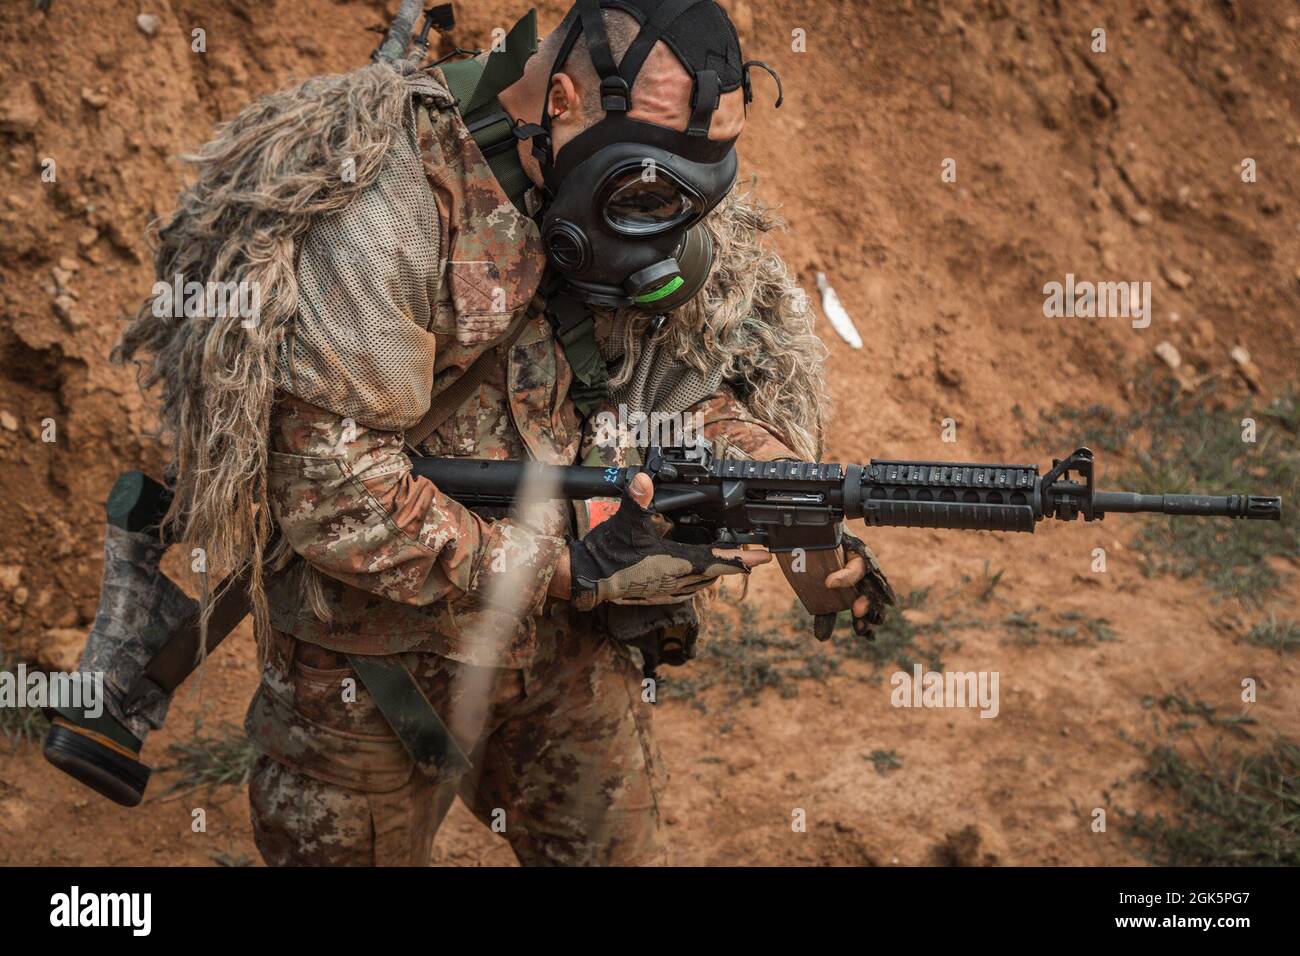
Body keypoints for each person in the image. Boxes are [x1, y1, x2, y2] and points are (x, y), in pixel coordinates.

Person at [116, 0, 890, 867]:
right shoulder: (387, 204)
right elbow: (329, 486)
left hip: (564, 656)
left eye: (699, 187)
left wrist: (780, 487)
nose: (669, 227)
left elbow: (676, 390)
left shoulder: (644, 209)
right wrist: (559, 568)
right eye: (645, 187)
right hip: (372, 665)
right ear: (561, 102)